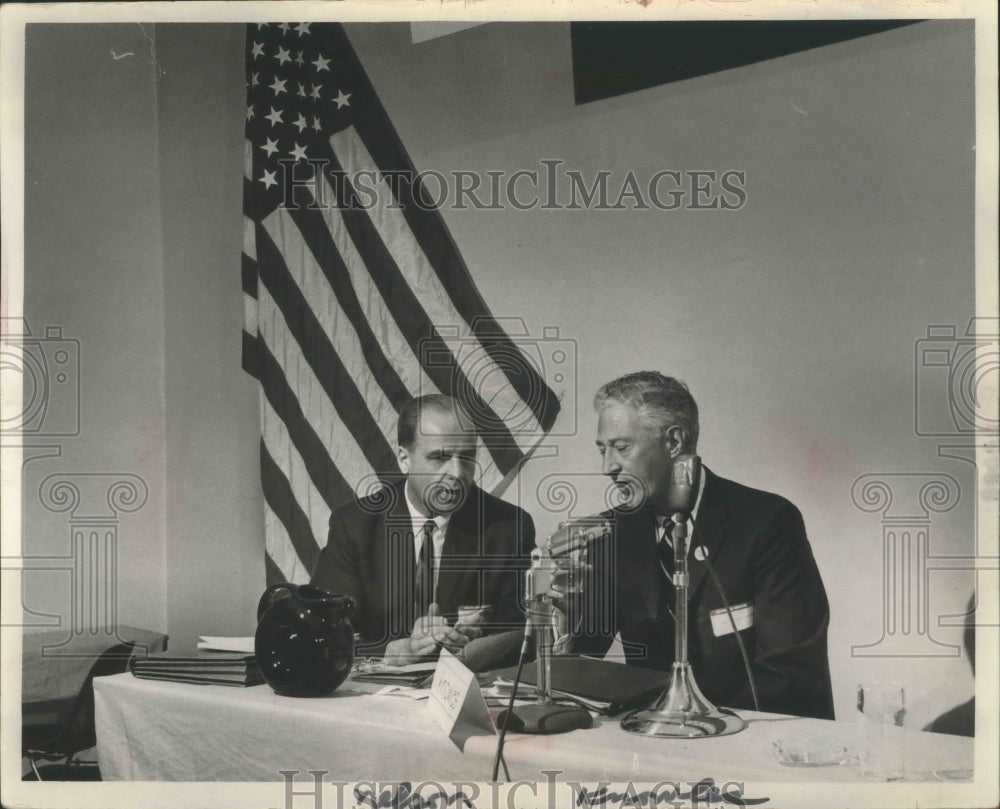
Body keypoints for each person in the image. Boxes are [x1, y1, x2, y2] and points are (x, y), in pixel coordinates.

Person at [558, 371, 834, 720]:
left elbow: (792, 677)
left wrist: (703, 727)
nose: (607, 467)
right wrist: (565, 621)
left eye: (621, 447)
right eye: (602, 449)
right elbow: (579, 666)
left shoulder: (768, 523)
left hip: (755, 742)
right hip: (655, 744)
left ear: (674, 442)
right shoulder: (610, 533)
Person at [310, 394, 533, 665]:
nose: (457, 473)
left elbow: (520, 638)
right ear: (405, 459)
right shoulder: (354, 526)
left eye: (467, 457)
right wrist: (395, 652)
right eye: (440, 457)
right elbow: (323, 633)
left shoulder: (508, 528)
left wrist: (473, 645)